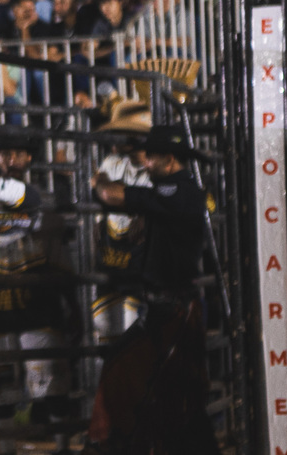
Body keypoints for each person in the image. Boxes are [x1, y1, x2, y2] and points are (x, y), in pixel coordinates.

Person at [89, 125, 219, 455]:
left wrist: (97, 179)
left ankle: (115, 446)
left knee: (135, 374)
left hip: (173, 308)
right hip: (171, 305)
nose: (146, 163)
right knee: (172, 386)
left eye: (152, 157)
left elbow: (111, 195)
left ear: (169, 159)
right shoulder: (184, 191)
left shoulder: (175, 192)